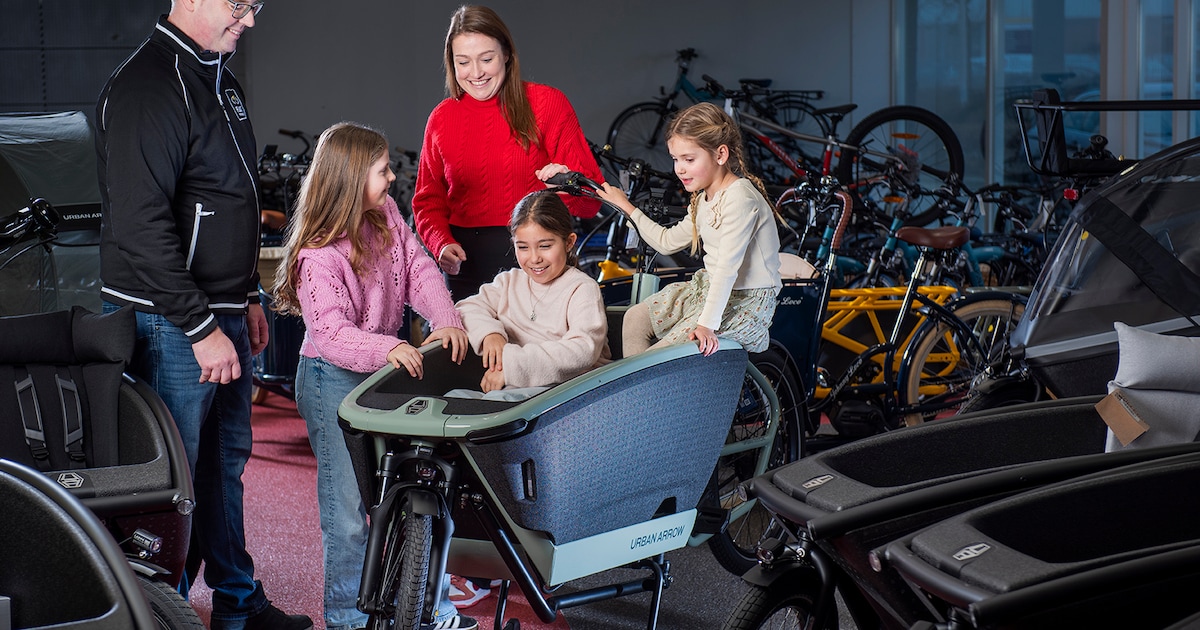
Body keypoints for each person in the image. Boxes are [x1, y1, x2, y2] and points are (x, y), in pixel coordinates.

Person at [94, 1, 311, 629]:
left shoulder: (220, 77)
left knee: (224, 467)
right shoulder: (146, 85)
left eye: (256, 4)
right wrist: (200, 326)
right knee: (173, 484)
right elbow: (140, 226)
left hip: (222, 316)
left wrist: (245, 294)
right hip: (172, 325)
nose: (251, 20)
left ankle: (237, 606)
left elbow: (226, 198)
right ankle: (159, 616)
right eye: (239, 4)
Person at [273, 123, 471, 630]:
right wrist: (393, 346)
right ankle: (345, 619)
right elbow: (334, 335)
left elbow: (417, 268)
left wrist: (444, 318)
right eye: (382, 171)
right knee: (347, 512)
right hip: (331, 380)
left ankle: (431, 606)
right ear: (348, 179)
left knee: (413, 491)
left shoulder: (383, 213)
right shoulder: (318, 256)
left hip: (386, 372)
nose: (391, 179)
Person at [412, 4, 605, 301]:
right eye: (463, 62)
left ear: (507, 55)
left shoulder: (547, 104)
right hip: (467, 267)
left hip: (536, 260)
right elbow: (427, 200)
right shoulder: (441, 118)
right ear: (452, 64)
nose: (475, 73)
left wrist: (564, 186)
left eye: (486, 59)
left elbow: (591, 198)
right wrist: (441, 244)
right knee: (476, 347)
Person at [595, 102, 782, 358]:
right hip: (710, 290)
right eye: (675, 159)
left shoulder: (740, 198)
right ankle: (643, 393)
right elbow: (666, 241)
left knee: (653, 360)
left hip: (744, 302)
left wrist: (706, 325)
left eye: (689, 159)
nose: (679, 169)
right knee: (636, 318)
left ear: (721, 154)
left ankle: (643, 389)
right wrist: (626, 207)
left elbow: (727, 268)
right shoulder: (704, 198)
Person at [455, 191, 611, 397]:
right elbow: (466, 308)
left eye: (545, 246)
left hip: (575, 390)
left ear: (569, 242)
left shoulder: (581, 288)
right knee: (456, 397)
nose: (534, 258)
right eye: (523, 247)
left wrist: (510, 367)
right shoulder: (509, 282)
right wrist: (490, 334)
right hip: (522, 388)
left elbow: (582, 350)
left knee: (497, 400)